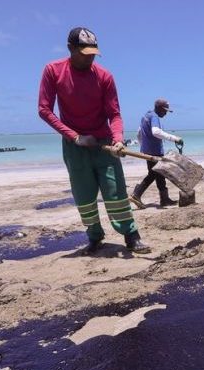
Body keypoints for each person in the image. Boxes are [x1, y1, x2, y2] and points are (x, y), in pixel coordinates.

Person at [38, 27, 150, 254]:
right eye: (84, 52)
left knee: (115, 190)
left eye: (93, 53)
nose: (89, 57)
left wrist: (118, 139)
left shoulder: (104, 76)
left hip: (104, 143)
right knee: (84, 193)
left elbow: (115, 114)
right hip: (74, 146)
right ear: (71, 49)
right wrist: (75, 137)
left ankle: (131, 236)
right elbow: (44, 110)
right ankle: (95, 237)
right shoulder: (53, 71)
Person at [130, 99, 184, 209]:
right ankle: (136, 194)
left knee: (159, 174)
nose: (165, 113)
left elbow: (139, 133)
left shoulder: (146, 116)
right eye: (165, 111)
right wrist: (174, 138)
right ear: (160, 108)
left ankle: (164, 199)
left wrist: (143, 147)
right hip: (154, 152)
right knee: (153, 174)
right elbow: (156, 132)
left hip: (148, 150)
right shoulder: (154, 117)